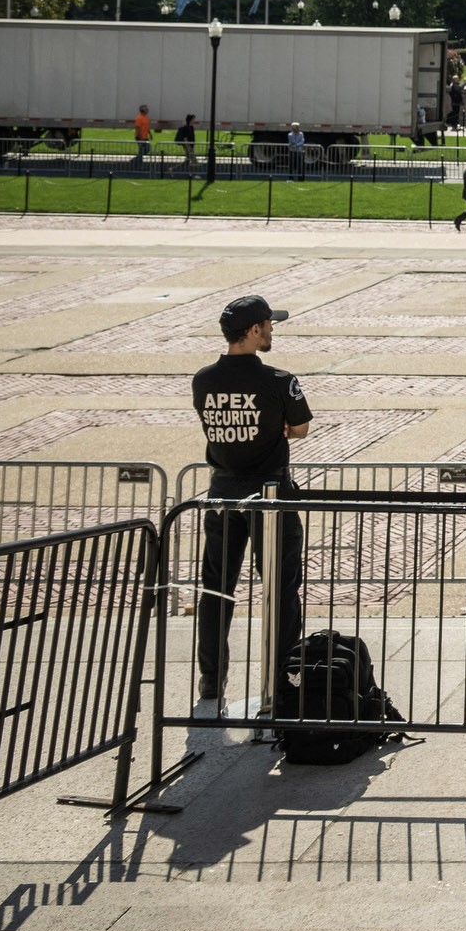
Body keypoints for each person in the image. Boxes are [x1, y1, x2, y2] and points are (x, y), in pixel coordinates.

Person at [192, 295, 309, 712]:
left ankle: (210, 679)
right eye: (268, 324)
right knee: (280, 589)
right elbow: (300, 428)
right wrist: (274, 428)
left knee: (216, 590)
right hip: (270, 494)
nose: (273, 329)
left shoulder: (203, 380)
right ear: (255, 330)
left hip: (222, 491)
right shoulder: (278, 379)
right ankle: (280, 680)